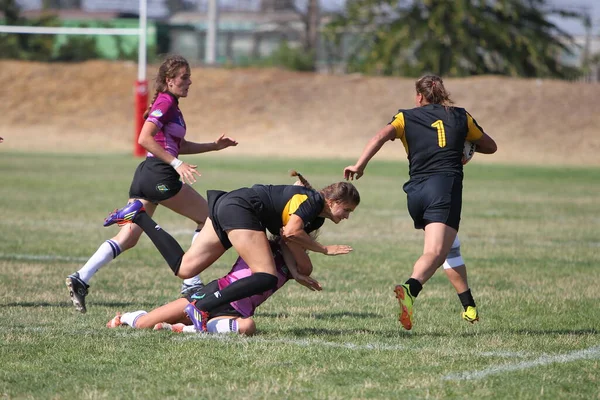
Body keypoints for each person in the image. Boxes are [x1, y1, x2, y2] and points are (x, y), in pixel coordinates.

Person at [66, 54, 238, 313]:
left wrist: (213, 147)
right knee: (209, 218)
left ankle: (81, 278)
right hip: (159, 175)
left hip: (146, 176)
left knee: (129, 237)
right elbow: (144, 138)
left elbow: (178, 145)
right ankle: (192, 284)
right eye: (185, 77)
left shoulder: (171, 103)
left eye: (189, 77)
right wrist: (176, 164)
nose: (189, 82)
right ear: (169, 81)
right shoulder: (166, 102)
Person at [103, 170, 360, 331]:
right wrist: (325, 249)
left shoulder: (314, 213)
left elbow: (286, 238)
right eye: (346, 210)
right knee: (266, 275)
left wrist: (296, 271)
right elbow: (291, 233)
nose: (347, 216)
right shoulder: (313, 203)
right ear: (333, 201)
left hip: (229, 205)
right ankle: (202, 307)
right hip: (241, 209)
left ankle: (139, 215)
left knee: (185, 268)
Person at [343, 74, 497, 330]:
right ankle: (410, 289)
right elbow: (490, 146)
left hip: (416, 192)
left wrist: (359, 165)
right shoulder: (461, 116)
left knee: (449, 247)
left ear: (418, 96)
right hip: (443, 189)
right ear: (442, 93)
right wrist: (466, 145)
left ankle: (469, 306)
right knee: (435, 252)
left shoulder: (405, 116)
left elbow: (379, 136)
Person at [106, 238, 321, 335]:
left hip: (234, 312)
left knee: (248, 327)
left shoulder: (296, 267)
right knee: (144, 324)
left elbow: (305, 265)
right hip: (211, 294)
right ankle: (127, 317)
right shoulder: (257, 241)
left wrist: (295, 237)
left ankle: (187, 330)